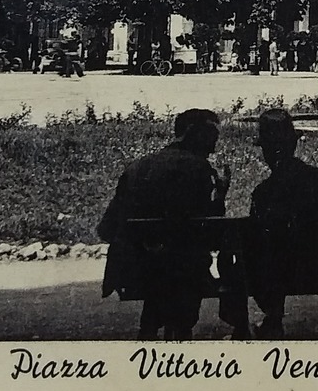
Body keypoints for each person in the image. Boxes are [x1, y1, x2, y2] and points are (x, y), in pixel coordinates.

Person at [98, 108, 233, 340]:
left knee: (163, 267)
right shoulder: (198, 169)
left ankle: (150, 328)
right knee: (182, 262)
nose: (215, 143)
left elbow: (106, 229)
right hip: (184, 275)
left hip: (134, 272)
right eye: (212, 134)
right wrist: (220, 196)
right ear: (193, 133)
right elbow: (209, 233)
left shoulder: (138, 167)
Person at [241, 110, 318, 339]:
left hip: (276, 277)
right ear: (293, 144)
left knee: (256, 254)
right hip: (312, 269)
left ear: (266, 151)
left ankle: (255, 323)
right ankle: (272, 319)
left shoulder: (264, 192)